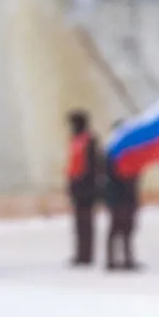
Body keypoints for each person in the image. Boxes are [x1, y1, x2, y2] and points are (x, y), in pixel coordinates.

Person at [66, 110, 103, 266]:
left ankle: (87, 254)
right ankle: (80, 253)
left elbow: (95, 165)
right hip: (76, 186)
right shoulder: (74, 140)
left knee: (87, 222)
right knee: (79, 223)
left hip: (87, 187)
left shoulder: (90, 140)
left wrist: (95, 186)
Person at [104, 145, 141, 271]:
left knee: (127, 228)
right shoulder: (112, 156)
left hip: (126, 197)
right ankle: (112, 259)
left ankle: (127, 258)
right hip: (118, 197)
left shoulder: (130, 155)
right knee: (116, 228)